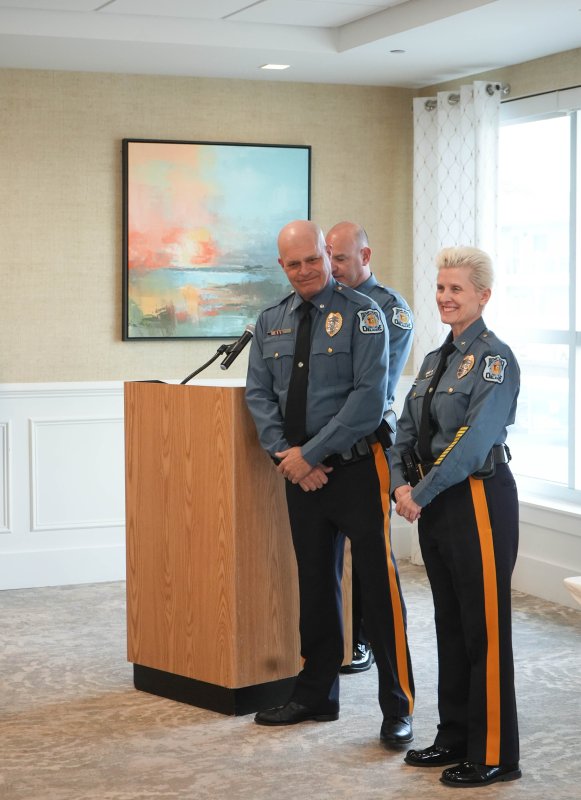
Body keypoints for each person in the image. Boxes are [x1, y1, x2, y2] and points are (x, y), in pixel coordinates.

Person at [245, 220, 415, 748]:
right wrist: (285, 455)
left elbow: (369, 400)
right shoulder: (271, 320)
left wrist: (310, 455)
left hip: (357, 470)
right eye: (293, 264)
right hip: (301, 478)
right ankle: (316, 694)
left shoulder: (365, 316)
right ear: (282, 266)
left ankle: (397, 707)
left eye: (312, 260)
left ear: (328, 255)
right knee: (315, 586)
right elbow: (259, 395)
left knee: (378, 590)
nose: (304, 271)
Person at [391, 246, 521, 787]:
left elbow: (471, 444)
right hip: (434, 501)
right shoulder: (432, 359)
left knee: (484, 630)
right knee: (450, 624)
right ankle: (454, 737)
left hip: (478, 500)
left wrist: (417, 492)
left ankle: (495, 753)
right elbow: (404, 426)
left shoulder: (495, 360)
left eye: (457, 290)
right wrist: (401, 483)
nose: (445, 297)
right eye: (441, 288)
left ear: (482, 296)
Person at [326, 221, 413, 675]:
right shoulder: (326, 305)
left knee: (368, 550)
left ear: (365, 255)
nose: (332, 266)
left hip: (368, 442)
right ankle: (336, 637)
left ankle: (363, 639)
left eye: (340, 257)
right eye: (329, 257)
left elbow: (374, 391)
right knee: (330, 550)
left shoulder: (389, 309)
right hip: (325, 445)